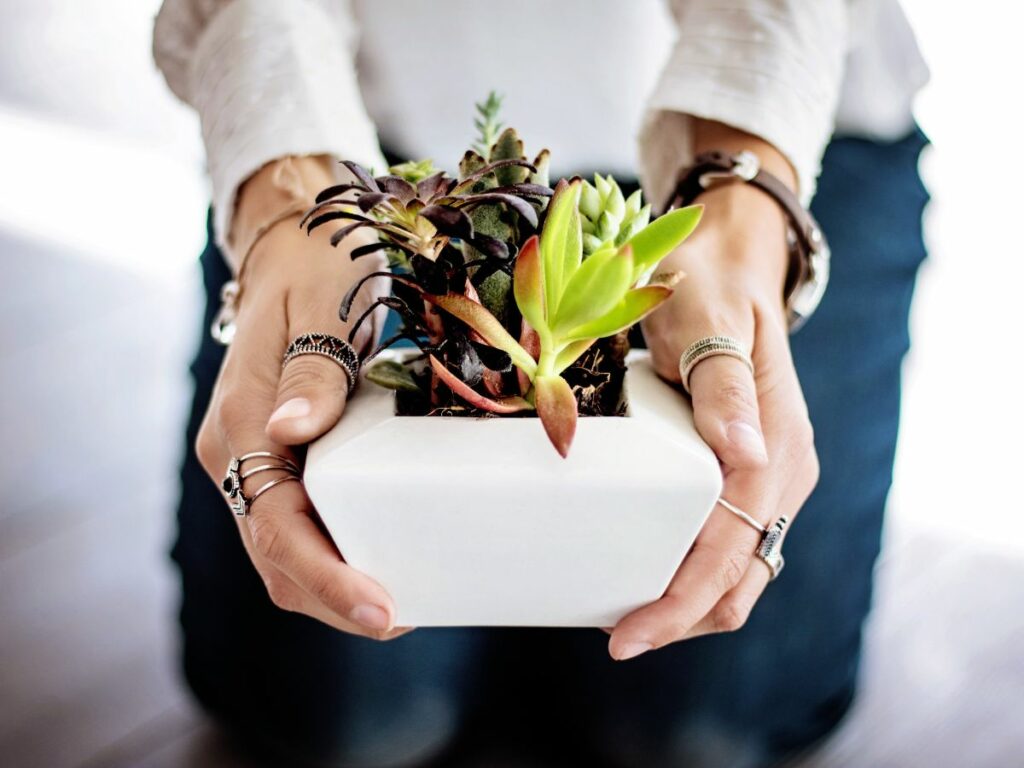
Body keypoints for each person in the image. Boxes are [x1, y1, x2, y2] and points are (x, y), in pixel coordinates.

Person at [154, 1, 930, 765]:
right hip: (384, 165)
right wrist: (284, 192)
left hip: (783, 141)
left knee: (700, 732)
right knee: (345, 723)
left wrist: (743, 191)